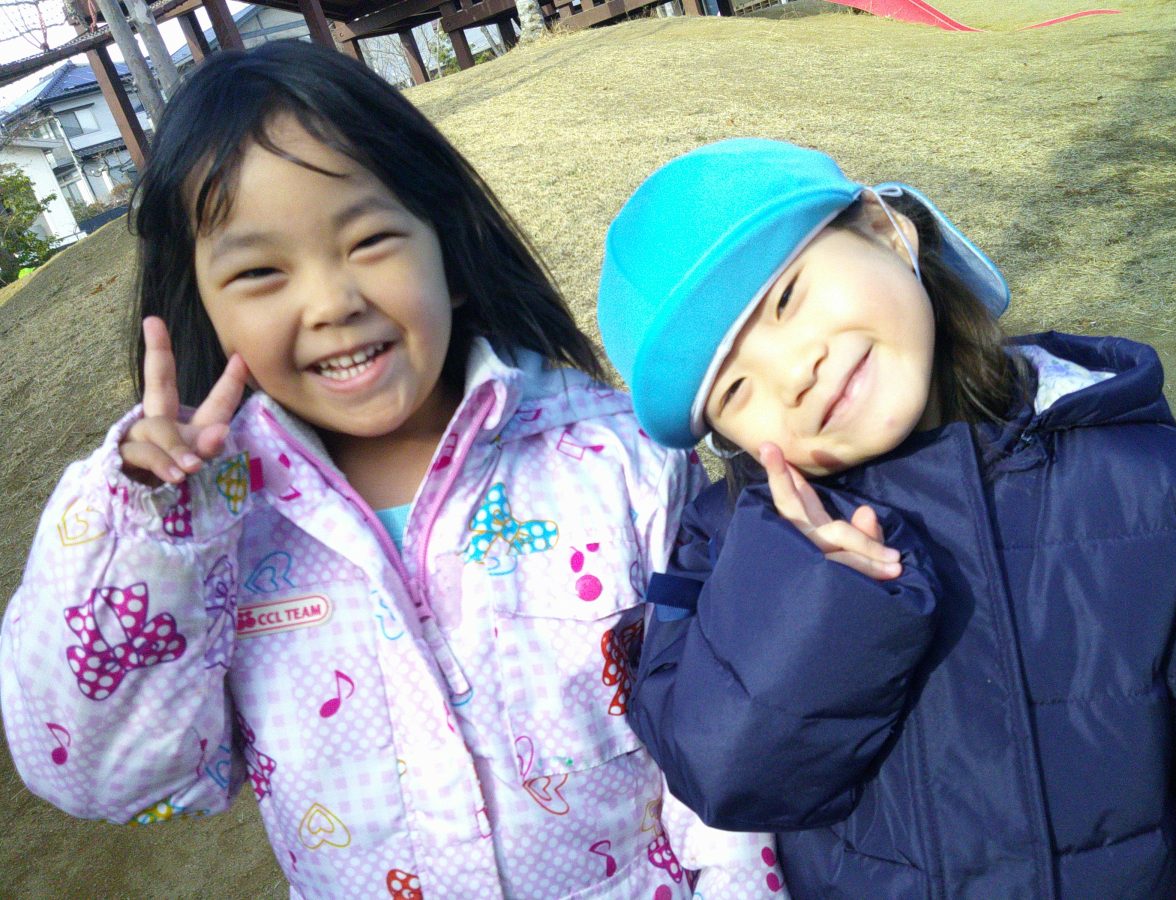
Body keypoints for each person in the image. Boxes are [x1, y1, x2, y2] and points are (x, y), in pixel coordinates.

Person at [0, 45, 787, 898]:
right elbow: (97, 774)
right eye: (260, 272)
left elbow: (728, 745)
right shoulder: (202, 539)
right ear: (204, 307)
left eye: (370, 240)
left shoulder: (620, 462)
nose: (332, 302)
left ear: (449, 248)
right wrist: (149, 536)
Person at [596, 138, 1176, 897]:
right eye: (736, 389)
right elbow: (725, 774)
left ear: (886, 231)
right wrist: (811, 597)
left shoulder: (1161, 489)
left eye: (785, 299)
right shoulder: (724, 547)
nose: (794, 374)